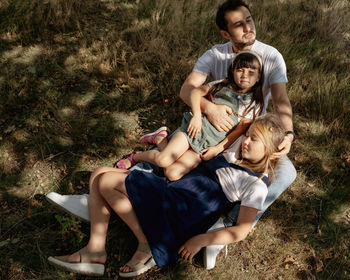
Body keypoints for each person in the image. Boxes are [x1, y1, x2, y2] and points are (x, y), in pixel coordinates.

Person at [45, 0, 297, 269]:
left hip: (247, 137)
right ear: (225, 33)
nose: (248, 27)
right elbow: (188, 89)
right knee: (173, 155)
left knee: (287, 173)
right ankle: (107, 206)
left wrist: (289, 133)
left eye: (249, 19)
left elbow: (281, 100)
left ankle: (220, 229)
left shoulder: (270, 56)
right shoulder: (216, 55)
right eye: (238, 24)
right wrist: (208, 109)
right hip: (209, 131)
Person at [48, 114, 285, 277]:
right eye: (248, 135)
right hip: (177, 191)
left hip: (188, 208)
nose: (246, 141)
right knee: (98, 173)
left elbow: (242, 230)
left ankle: (142, 244)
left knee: (106, 180)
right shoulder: (236, 150)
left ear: (271, 153)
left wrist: (200, 240)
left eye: (255, 139)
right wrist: (247, 130)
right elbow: (244, 124)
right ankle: (96, 249)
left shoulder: (257, 184)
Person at [116, 51, 265, 181]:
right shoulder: (223, 84)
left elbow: (237, 132)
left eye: (251, 72)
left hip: (207, 145)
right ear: (233, 71)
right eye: (240, 70)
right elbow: (194, 92)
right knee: (163, 160)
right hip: (193, 130)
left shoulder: (255, 105)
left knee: (172, 173)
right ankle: (135, 157)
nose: (245, 75)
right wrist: (197, 116)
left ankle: (160, 139)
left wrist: (217, 149)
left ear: (258, 77)